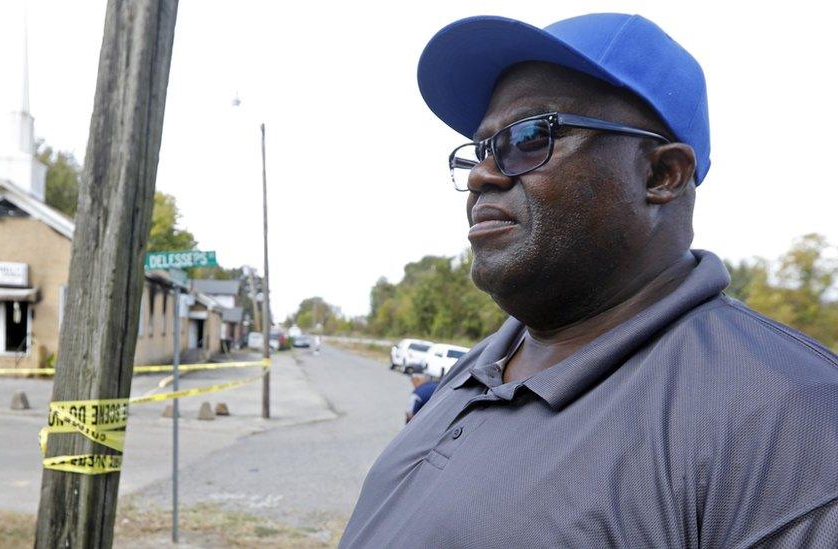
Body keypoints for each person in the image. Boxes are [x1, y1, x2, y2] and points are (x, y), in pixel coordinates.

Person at [341, 13, 838, 548]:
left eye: (529, 137)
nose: (484, 175)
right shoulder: (480, 366)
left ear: (659, 175)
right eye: (482, 150)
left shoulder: (792, 418)